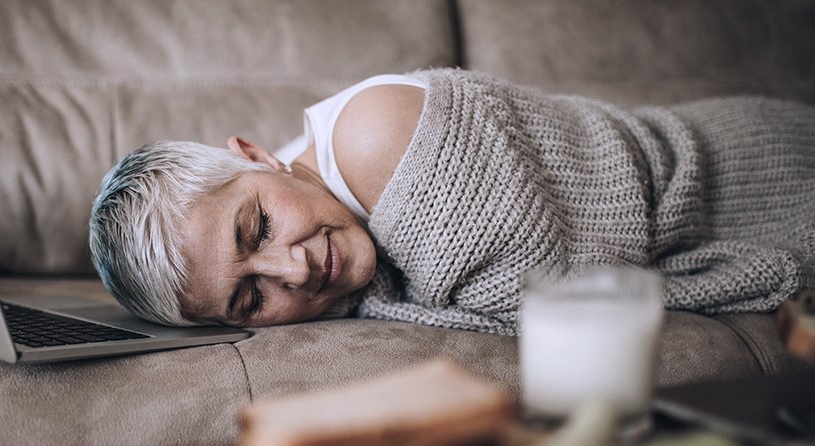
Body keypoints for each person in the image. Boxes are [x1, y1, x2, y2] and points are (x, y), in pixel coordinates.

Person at [89, 68, 815, 336]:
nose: (294, 270)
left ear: (254, 155)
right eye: (250, 300)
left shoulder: (377, 135)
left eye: (260, 226)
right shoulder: (328, 212)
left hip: (760, 175)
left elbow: (554, 301)